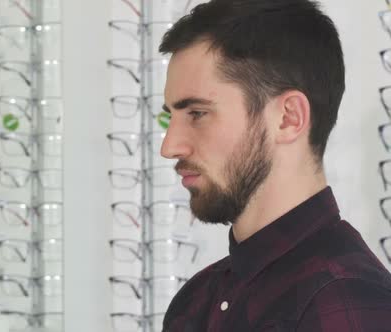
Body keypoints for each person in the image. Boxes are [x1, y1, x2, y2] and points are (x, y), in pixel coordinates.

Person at [159, 0, 391, 331]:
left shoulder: (346, 302)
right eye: (170, 117)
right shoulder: (195, 300)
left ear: (288, 118)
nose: (169, 146)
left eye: (197, 113)